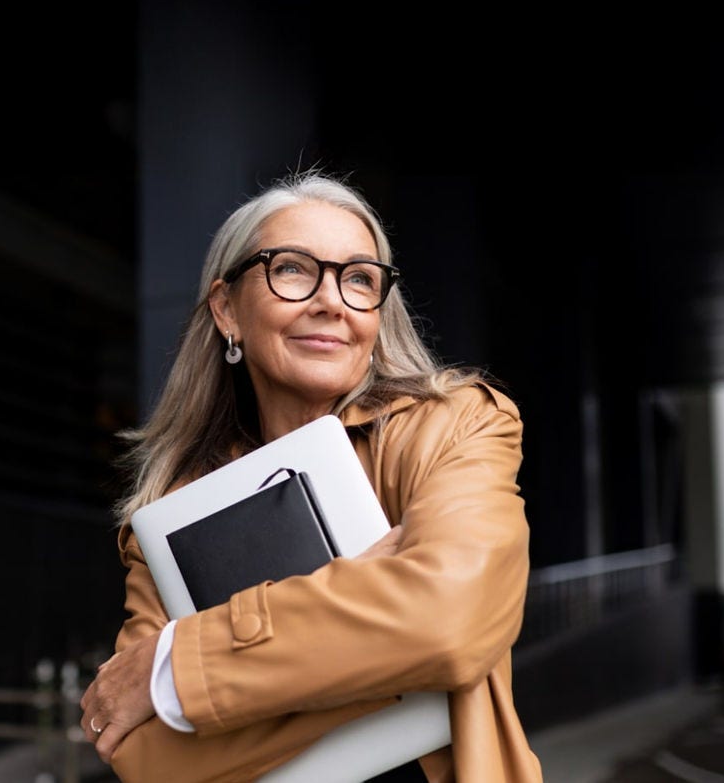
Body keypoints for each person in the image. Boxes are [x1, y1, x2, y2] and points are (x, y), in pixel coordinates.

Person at [79, 169, 543, 782]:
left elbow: (449, 624)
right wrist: (383, 637)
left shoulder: (455, 426)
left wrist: (176, 670)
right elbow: (148, 760)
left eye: (358, 278)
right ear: (227, 310)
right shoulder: (171, 513)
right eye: (292, 268)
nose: (331, 301)